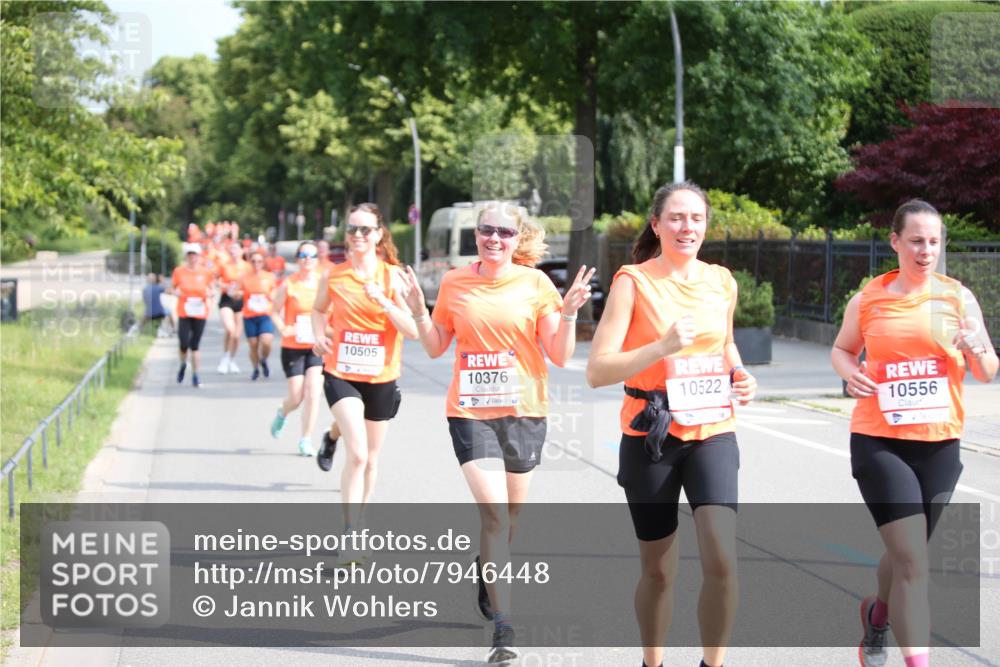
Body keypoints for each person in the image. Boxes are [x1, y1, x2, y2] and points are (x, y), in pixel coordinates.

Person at [401, 201, 594, 664]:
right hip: (469, 411)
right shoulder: (453, 282)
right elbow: (434, 347)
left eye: (504, 233)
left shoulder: (536, 284)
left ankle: (488, 567)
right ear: (476, 235)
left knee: (510, 520)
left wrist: (567, 314)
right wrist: (418, 311)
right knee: (493, 518)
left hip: (524, 412)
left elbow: (561, 355)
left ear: (516, 239)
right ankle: (504, 629)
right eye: (486, 230)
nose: (494, 239)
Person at [585, 182, 757, 667]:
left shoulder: (721, 281)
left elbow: (724, 345)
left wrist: (741, 374)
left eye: (696, 219)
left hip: (712, 429)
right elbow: (598, 370)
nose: (687, 227)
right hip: (650, 434)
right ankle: (652, 663)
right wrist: (661, 347)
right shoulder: (632, 282)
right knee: (659, 572)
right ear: (656, 224)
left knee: (722, 555)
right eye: (677, 218)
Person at [831, 199, 997, 667]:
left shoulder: (957, 297)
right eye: (917, 241)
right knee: (913, 562)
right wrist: (849, 373)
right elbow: (843, 349)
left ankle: (877, 615)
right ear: (895, 242)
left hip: (940, 443)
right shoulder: (869, 298)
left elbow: (987, 370)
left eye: (934, 241)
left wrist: (976, 347)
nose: (926, 250)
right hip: (879, 442)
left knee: (908, 553)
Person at [311, 204, 418, 558]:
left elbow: (414, 330)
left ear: (378, 234)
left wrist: (386, 304)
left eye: (365, 230)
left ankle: (359, 515)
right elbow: (317, 310)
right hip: (341, 372)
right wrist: (317, 336)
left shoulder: (393, 277)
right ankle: (350, 534)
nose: (357, 236)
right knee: (356, 455)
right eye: (352, 229)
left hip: (382, 376)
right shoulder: (335, 276)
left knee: (371, 459)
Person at [269, 241, 325, 456]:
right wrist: (283, 327)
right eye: (303, 255)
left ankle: (305, 439)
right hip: (293, 346)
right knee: (296, 397)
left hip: (316, 346)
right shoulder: (289, 284)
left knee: (313, 392)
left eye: (311, 255)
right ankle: (283, 412)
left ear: (316, 259)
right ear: (298, 259)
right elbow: (274, 310)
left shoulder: (323, 283)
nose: (307, 259)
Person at [169, 244, 216, 388]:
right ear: (186, 256)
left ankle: (196, 375)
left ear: (199, 256)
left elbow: (212, 290)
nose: (192, 257)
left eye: (194, 254)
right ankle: (183, 364)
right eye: (189, 254)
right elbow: (172, 287)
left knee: (195, 345)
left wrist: (210, 295)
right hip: (184, 310)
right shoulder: (179, 271)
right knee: (184, 343)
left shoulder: (205, 272)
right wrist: (174, 292)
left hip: (200, 311)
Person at [233, 250, 278, 380]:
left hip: (265, 313)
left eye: (259, 261)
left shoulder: (269, 276)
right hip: (250, 315)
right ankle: (255, 368)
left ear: (263, 263)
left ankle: (264, 359)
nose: (256, 264)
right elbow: (236, 292)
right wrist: (238, 294)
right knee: (253, 344)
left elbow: (274, 291)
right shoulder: (244, 277)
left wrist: (273, 296)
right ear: (249, 262)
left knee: (266, 341)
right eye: (253, 261)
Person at [216, 242, 251, 374]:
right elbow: (216, 280)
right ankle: (225, 357)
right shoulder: (224, 266)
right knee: (230, 329)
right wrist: (225, 286)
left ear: (242, 251)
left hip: (241, 300)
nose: (233, 251)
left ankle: (231, 359)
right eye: (231, 249)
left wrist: (241, 292)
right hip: (227, 299)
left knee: (237, 334)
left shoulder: (247, 267)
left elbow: (250, 284)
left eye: (236, 249)